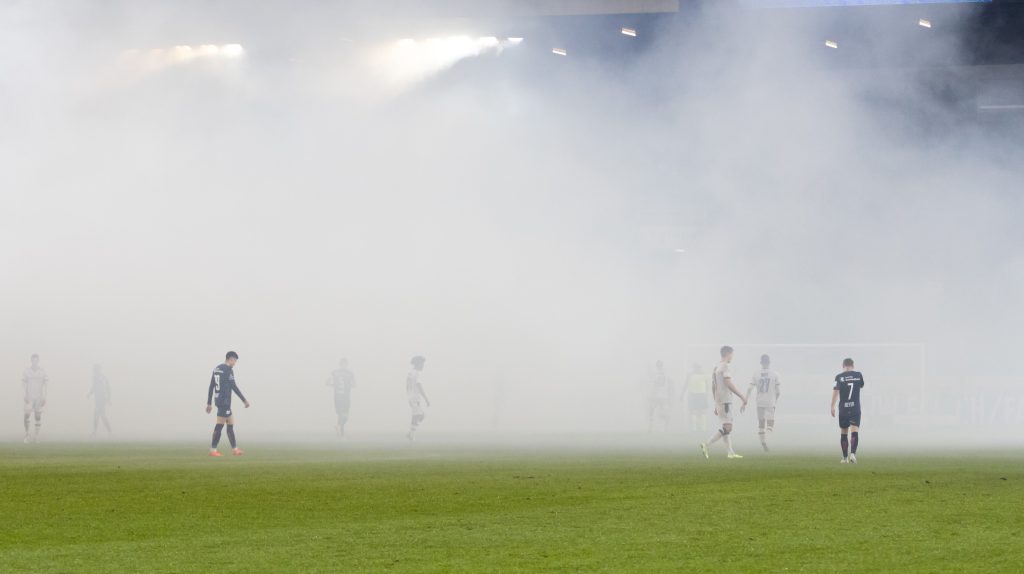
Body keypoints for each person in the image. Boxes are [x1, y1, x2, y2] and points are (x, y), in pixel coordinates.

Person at [700, 346, 747, 459]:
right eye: (732, 354)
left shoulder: (716, 367)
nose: (732, 357)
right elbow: (728, 383)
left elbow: (713, 386)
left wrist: (716, 402)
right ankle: (706, 444)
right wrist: (742, 396)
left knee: (725, 426)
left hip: (720, 400)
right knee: (728, 427)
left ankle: (730, 453)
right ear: (727, 353)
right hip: (725, 400)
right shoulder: (725, 366)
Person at [205, 351, 250, 457]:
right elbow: (234, 386)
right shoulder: (228, 370)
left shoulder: (217, 368)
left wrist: (209, 403)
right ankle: (213, 450)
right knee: (219, 426)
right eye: (235, 361)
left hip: (219, 400)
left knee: (230, 425)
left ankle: (235, 449)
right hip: (224, 401)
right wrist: (244, 400)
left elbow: (211, 386)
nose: (235, 363)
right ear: (231, 359)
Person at [742, 354, 781, 452]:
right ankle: (767, 440)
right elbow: (778, 392)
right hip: (770, 401)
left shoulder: (756, 374)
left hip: (759, 402)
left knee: (761, 423)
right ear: (769, 362)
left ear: (761, 363)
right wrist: (775, 401)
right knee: (770, 424)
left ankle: (763, 442)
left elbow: (749, 388)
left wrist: (745, 400)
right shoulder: (775, 374)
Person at [831, 358, 864, 464]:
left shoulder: (839, 377)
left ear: (843, 365)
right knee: (854, 431)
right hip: (855, 408)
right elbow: (861, 385)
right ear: (853, 365)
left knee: (844, 432)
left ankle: (844, 458)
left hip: (844, 408)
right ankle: (853, 455)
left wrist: (832, 405)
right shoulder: (858, 375)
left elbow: (835, 391)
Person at [22, 354, 48, 444]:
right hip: (29, 396)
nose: (35, 362)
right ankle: (27, 435)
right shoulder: (27, 371)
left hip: (38, 397)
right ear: (31, 361)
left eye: (36, 360)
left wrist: (44, 396)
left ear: (38, 361)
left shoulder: (42, 371)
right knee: (27, 415)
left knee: (38, 416)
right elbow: (23, 384)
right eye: (33, 360)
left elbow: (45, 385)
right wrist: (25, 395)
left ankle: (36, 437)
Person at [326, 358, 356, 437]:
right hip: (345, 397)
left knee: (340, 415)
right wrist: (348, 386)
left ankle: (339, 432)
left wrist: (334, 386)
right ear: (346, 364)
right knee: (344, 416)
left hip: (337, 397)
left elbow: (327, 382)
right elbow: (354, 384)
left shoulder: (334, 372)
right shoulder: (350, 373)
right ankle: (340, 431)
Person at [406, 356, 431, 441]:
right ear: (418, 364)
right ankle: (411, 433)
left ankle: (411, 434)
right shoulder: (417, 373)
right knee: (420, 415)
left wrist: (409, 394)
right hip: (415, 398)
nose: (423, 366)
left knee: (416, 415)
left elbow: (407, 385)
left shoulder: (410, 373)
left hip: (411, 397)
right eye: (422, 364)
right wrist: (426, 398)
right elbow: (419, 385)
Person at [647, 360, 674, 433]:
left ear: (657, 366)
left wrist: (651, 395)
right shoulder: (665, 373)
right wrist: (670, 394)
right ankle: (665, 428)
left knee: (652, 410)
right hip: (663, 396)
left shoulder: (656, 374)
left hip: (658, 395)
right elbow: (670, 383)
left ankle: (651, 427)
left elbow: (654, 385)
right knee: (661, 411)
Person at [681, 363, 709, 432]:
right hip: (695, 394)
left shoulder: (702, 374)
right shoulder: (690, 375)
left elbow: (707, 385)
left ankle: (701, 428)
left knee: (699, 411)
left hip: (700, 395)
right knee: (695, 411)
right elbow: (686, 385)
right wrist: (682, 394)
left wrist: (707, 394)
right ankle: (696, 428)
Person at [87, 364, 113, 437]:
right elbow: (94, 387)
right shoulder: (96, 377)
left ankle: (96, 432)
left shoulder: (102, 378)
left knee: (98, 415)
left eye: (95, 369)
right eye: (94, 369)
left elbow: (107, 388)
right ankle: (109, 432)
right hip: (98, 400)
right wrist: (90, 393)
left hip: (101, 400)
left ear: (98, 369)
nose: (94, 371)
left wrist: (108, 398)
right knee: (101, 416)